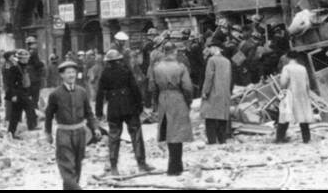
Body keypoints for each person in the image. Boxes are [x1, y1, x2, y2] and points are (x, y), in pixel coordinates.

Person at [44, 57, 98, 190]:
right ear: (62, 75)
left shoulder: (82, 92)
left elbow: (89, 113)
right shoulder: (55, 94)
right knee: (67, 166)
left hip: (80, 133)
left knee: (77, 165)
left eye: (73, 72)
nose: (71, 75)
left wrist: (95, 127)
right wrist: (48, 133)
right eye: (68, 72)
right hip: (64, 134)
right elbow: (48, 115)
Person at [95, 48, 151, 174]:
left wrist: (99, 112)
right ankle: (141, 164)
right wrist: (140, 105)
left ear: (108, 62)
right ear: (119, 60)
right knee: (136, 135)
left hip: (113, 108)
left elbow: (99, 94)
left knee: (114, 136)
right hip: (129, 106)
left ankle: (114, 167)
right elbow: (135, 89)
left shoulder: (105, 74)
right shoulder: (126, 71)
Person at [150, 41, 194, 176]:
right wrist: (188, 102)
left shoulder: (156, 67)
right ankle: (175, 166)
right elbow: (187, 87)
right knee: (177, 132)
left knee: (168, 132)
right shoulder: (180, 67)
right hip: (177, 98)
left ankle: (173, 165)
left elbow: (152, 87)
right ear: (175, 52)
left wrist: (156, 104)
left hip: (163, 99)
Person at [276, 51, 316, 143]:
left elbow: (283, 83)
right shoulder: (302, 68)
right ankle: (306, 139)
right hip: (302, 95)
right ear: (297, 58)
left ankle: (279, 139)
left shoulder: (286, 68)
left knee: (284, 116)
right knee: (303, 117)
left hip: (290, 94)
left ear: (287, 58)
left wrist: (282, 91)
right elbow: (307, 84)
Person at [200, 43, 232, 145]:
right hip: (224, 92)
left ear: (215, 48)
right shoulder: (227, 61)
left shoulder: (212, 60)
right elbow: (230, 78)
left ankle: (212, 141)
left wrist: (205, 91)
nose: (209, 50)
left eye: (210, 48)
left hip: (213, 92)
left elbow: (209, 77)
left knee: (210, 118)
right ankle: (222, 140)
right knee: (222, 117)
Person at [4, 49, 36, 137]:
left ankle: (11, 132)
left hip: (23, 92)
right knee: (29, 108)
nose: (26, 60)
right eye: (25, 58)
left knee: (16, 113)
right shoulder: (14, 67)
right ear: (20, 59)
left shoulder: (24, 67)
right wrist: (13, 95)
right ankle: (31, 127)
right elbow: (10, 83)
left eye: (27, 58)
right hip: (18, 93)